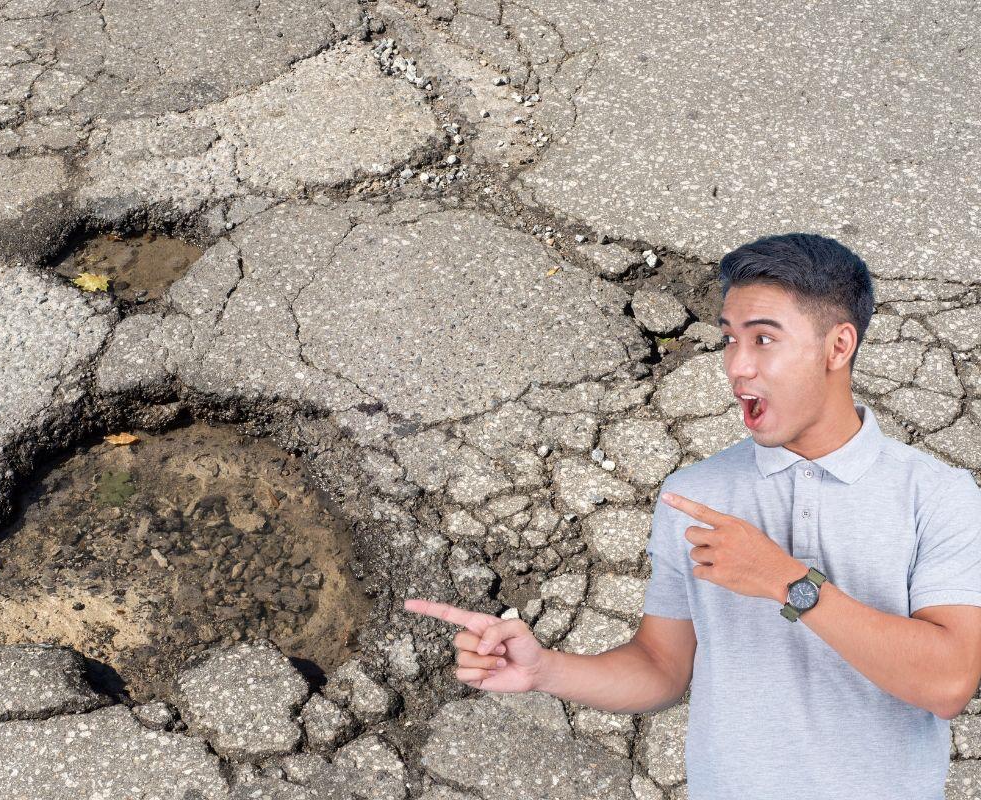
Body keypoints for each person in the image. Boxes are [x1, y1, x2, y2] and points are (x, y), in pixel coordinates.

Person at [406, 233, 981, 799]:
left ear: (838, 347)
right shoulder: (695, 493)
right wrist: (543, 671)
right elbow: (661, 666)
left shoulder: (939, 495)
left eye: (763, 340)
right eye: (730, 340)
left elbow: (949, 683)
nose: (737, 368)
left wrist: (784, 580)